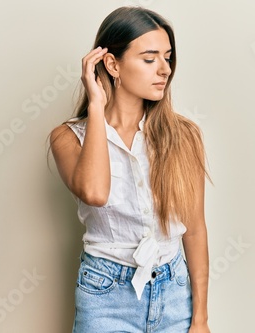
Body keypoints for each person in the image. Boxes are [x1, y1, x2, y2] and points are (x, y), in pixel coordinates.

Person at [50, 6, 212, 333]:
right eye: (150, 59)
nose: (165, 69)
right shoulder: (68, 138)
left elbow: (194, 230)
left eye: (168, 58)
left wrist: (201, 318)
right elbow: (95, 193)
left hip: (175, 293)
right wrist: (96, 105)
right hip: (105, 295)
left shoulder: (184, 136)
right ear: (112, 64)